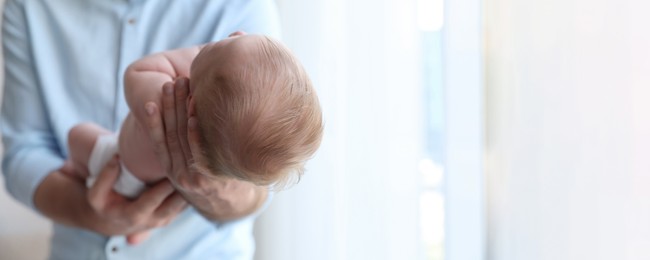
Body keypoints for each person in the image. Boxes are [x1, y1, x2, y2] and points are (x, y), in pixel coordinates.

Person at [1, 0, 287, 259]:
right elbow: (23, 151)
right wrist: (88, 212)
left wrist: (219, 189)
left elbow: (258, 178)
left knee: (79, 136)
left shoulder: (243, 7)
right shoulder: (29, 6)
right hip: (84, 239)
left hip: (197, 246)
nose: (235, 37)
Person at [66, 33, 323, 243]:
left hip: (121, 172)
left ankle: (76, 171)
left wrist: (198, 54)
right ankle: (139, 229)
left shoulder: (163, 104)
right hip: (167, 192)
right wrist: (213, 65)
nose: (236, 32)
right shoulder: (217, 150)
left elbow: (136, 72)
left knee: (78, 135)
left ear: (189, 107)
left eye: (223, 44)